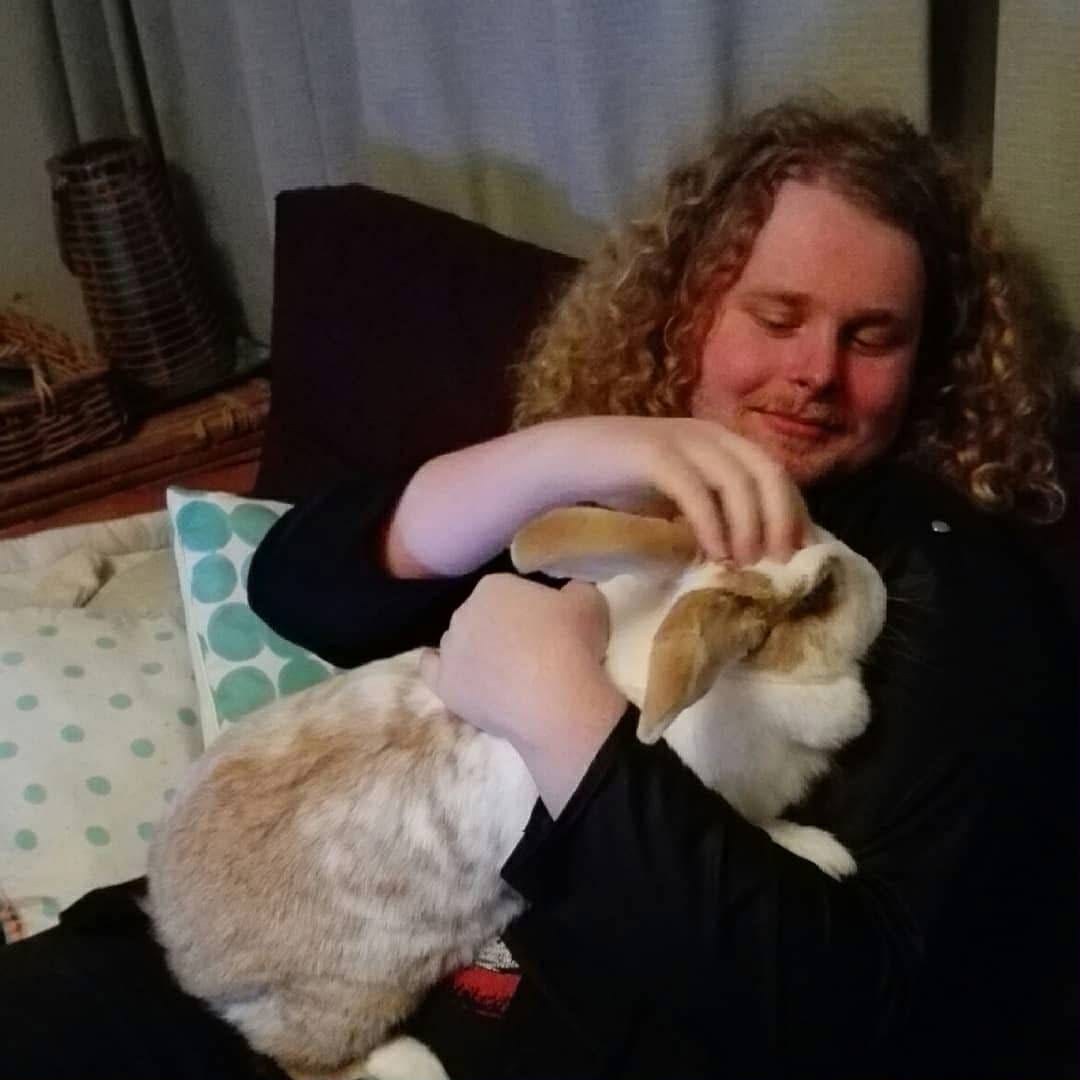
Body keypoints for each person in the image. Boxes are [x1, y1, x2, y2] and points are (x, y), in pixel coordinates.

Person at [0, 100, 1075, 1080]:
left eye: (871, 336)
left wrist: (571, 723)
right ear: (692, 308)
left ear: (930, 360)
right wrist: (556, 456)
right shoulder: (625, 468)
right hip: (261, 931)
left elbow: (850, 1004)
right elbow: (297, 593)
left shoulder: (944, 594)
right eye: (777, 315)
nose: (815, 372)